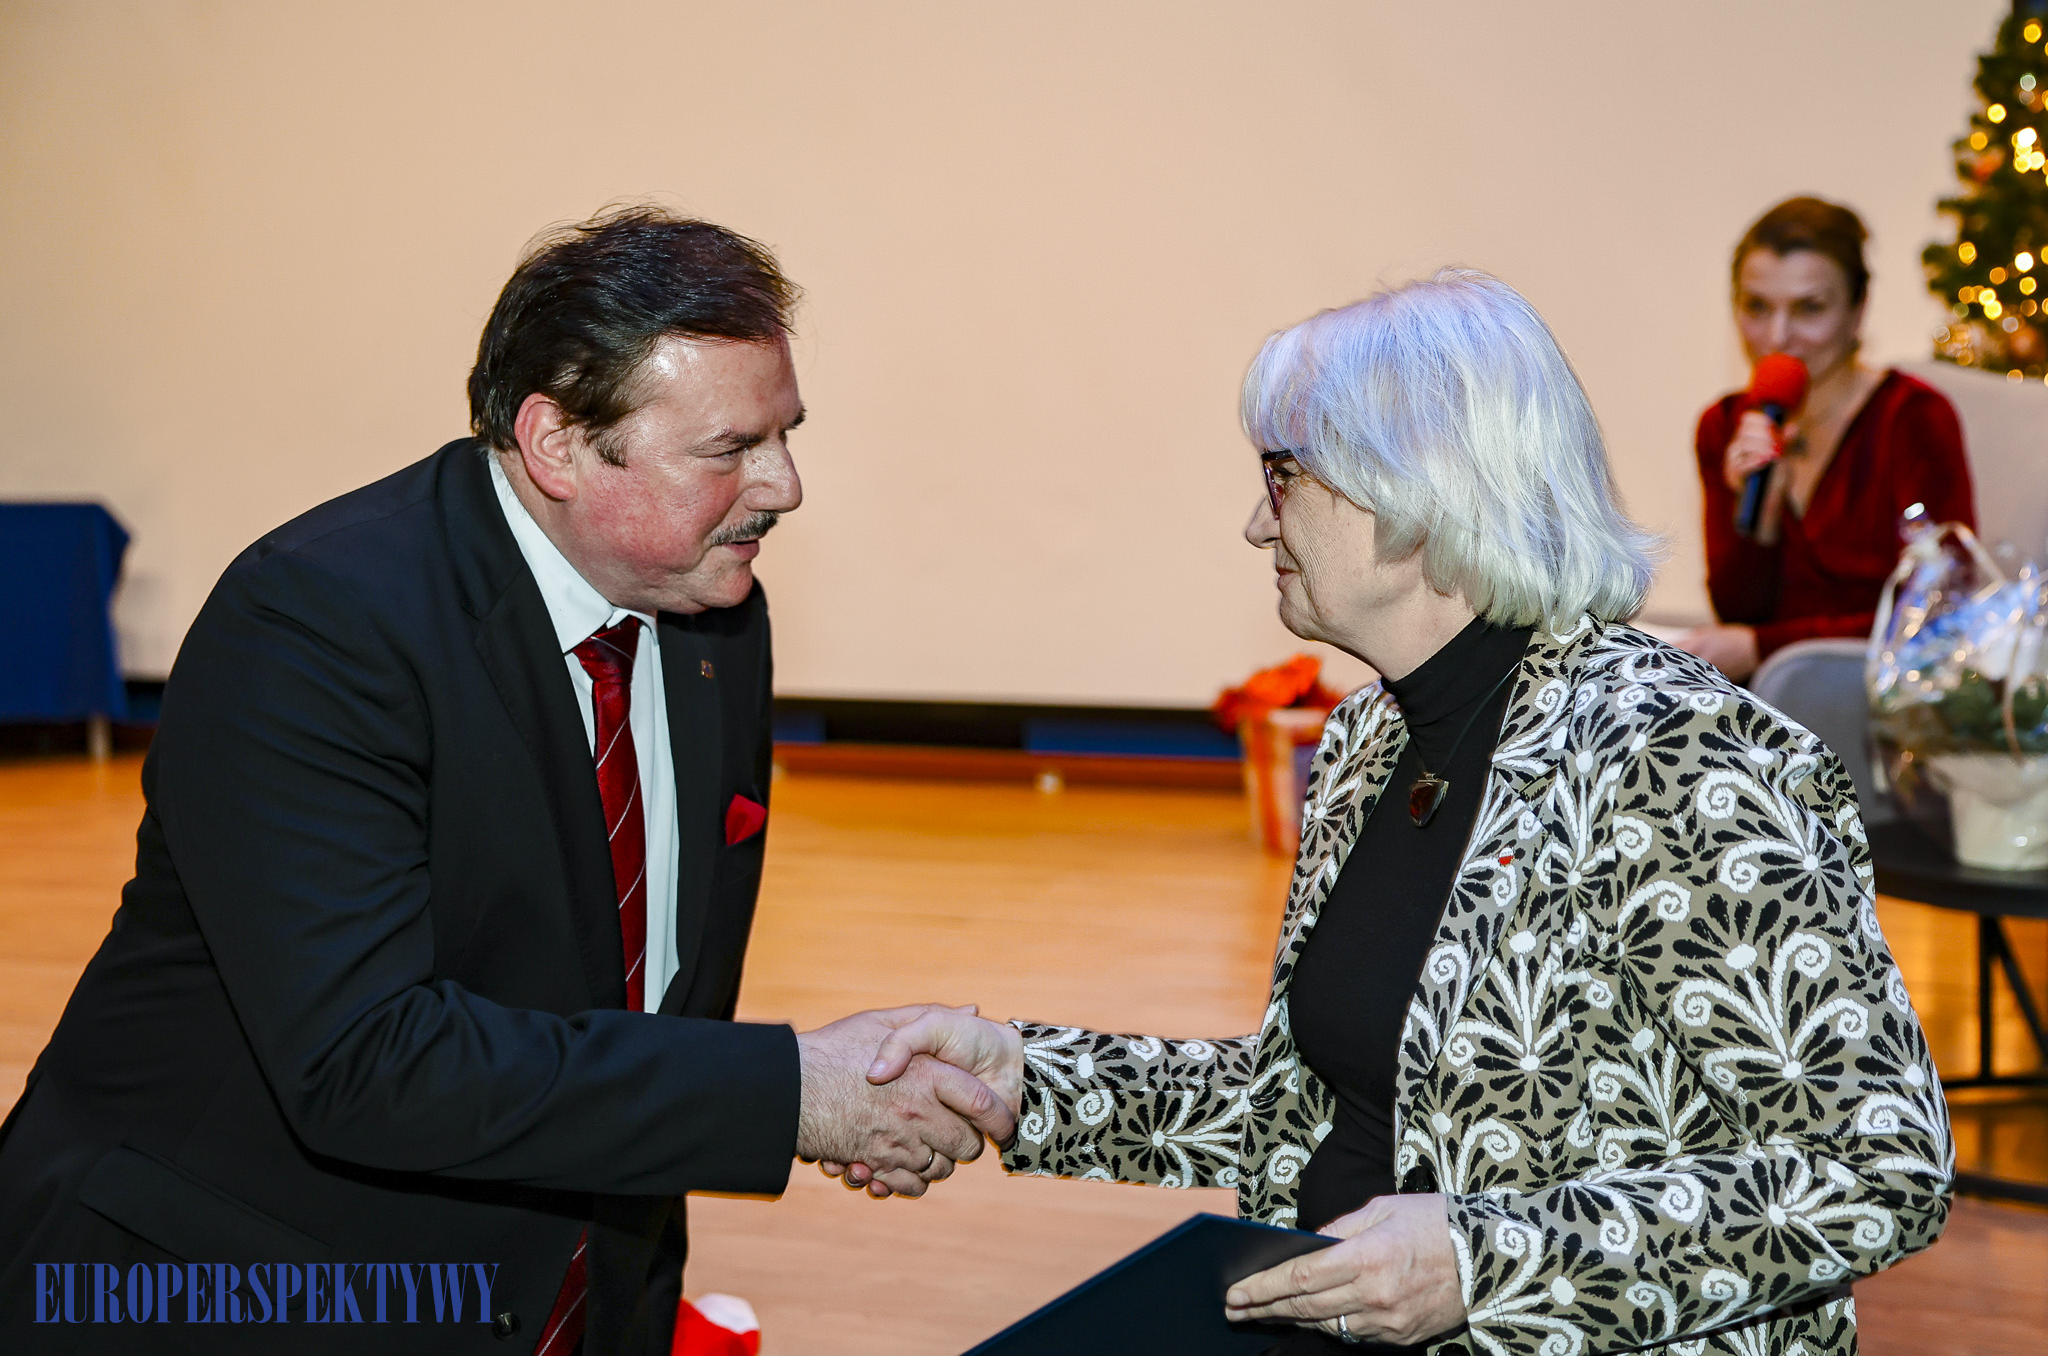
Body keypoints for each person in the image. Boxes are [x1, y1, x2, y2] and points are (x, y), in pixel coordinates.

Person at [848, 271, 1955, 1354]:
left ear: (1417, 490)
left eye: (1282, 476)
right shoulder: (1368, 738)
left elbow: (1878, 1166)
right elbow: (1306, 1103)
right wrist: (1024, 1080)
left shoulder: (1678, 753)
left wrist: (1483, 1264)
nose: (1255, 522)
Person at [0, 207, 1010, 1354]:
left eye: (786, 434)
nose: (783, 485)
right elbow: (367, 1062)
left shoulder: (712, 614)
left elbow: (641, 1007)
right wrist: (788, 1093)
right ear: (557, 443)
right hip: (231, 1285)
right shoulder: (319, 623)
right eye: (730, 448)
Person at [1676, 196, 1976, 682]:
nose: (1777, 337)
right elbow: (1737, 609)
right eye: (1757, 307)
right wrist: (1760, 522)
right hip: (1768, 701)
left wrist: (1763, 647)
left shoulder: (1913, 417)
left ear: (1859, 309)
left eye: (1809, 308)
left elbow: (1941, 609)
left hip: (1878, 697)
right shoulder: (1724, 424)